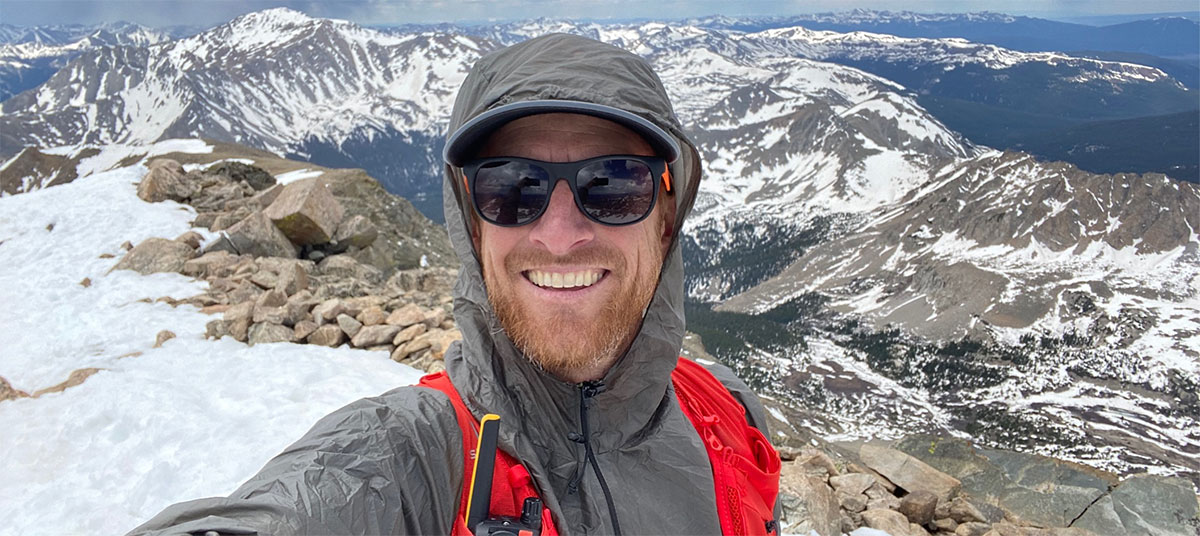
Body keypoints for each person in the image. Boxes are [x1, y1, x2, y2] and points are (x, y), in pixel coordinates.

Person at [129, 33, 779, 536]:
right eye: (510, 188)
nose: (559, 234)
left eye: (613, 185)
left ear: (666, 219)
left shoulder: (727, 409)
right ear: (471, 225)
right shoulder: (418, 451)